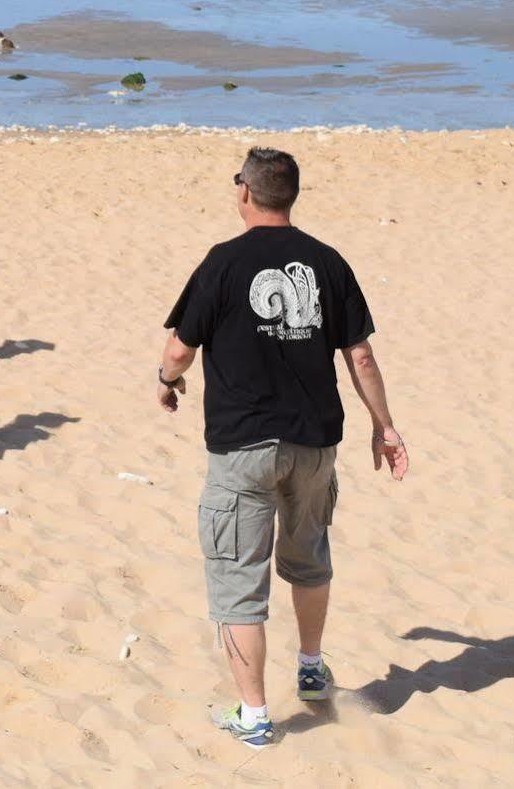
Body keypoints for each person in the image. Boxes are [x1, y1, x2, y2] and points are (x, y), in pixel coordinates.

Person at [156, 146, 408, 747]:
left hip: (244, 446)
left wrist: (167, 383)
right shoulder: (327, 261)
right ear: (289, 195)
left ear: (246, 191)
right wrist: (385, 425)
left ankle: (254, 713)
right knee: (308, 557)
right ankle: (312, 666)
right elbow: (361, 355)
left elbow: (178, 348)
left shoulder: (222, 262)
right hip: (314, 443)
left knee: (238, 576)